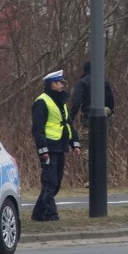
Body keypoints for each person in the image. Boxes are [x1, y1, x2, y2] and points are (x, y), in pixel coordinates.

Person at [31, 69, 81, 222]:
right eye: (60, 83)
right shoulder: (42, 101)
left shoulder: (60, 102)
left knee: (56, 183)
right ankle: (51, 215)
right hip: (49, 148)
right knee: (50, 182)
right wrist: (43, 150)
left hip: (60, 146)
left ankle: (38, 214)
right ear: (52, 84)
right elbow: (37, 129)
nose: (63, 86)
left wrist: (75, 143)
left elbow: (68, 124)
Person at [70, 61, 115, 127]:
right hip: (104, 119)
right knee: (103, 136)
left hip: (88, 118)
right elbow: (111, 102)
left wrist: (71, 118)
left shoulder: (82, 82)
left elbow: (76, 102)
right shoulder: (104, 81)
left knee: (87, 136)